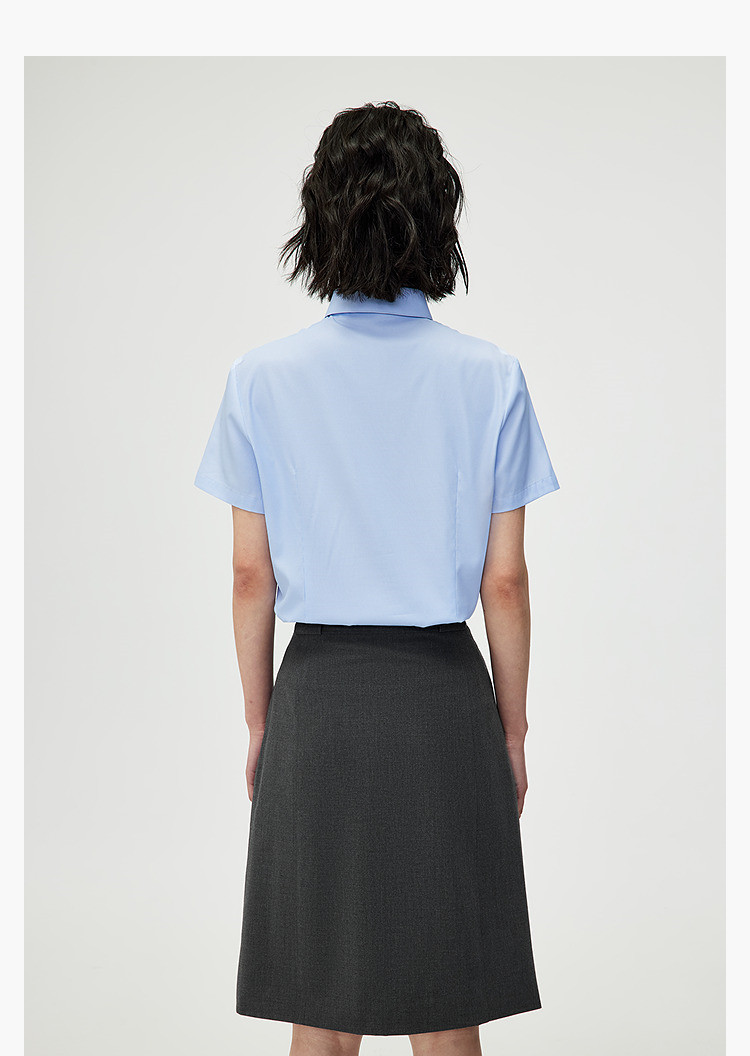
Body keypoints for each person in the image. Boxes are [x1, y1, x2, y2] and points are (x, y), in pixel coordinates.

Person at [194, 100, 560, 1056]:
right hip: (444, 705)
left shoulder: (260, 379)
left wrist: (261, 723)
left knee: (319, 1002)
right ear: (437, 221)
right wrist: (511, 731)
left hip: (317, 703)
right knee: (446, 1001)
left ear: (320, 220)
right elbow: (506, 584)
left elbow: (249, 576)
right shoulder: (491, 377)